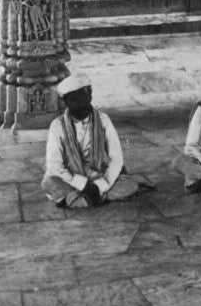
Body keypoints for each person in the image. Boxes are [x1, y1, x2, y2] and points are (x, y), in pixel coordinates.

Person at [41, 74, 140, 209]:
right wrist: (83, 185)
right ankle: (95, 198)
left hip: (98, 172)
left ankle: (76, 199)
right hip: (71, 176)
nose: (81, 104)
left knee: (129, 184)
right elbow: (54, 166)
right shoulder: (57, 126)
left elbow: (116, 158)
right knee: (50, 182)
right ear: (65, 102)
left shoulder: (103, 119)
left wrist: (99, 185)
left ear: (90, 96)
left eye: (84, 98)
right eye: (75, 100)